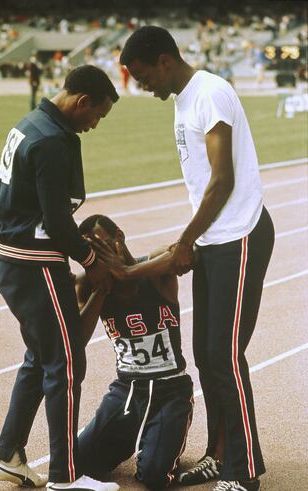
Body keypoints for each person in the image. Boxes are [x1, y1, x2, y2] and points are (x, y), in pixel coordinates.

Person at [120, 26, 275, 491]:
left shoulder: (210, 93)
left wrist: (185, 240)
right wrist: (193, 240)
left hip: (240, 235)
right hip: (212, 239)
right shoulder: (184, 100)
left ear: (165, 61)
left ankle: (244, 473)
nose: (144, 87)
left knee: (224, 356)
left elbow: (222, 180)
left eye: (144, 77)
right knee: (208, 357)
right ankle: (219, 455)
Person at [0, 65, 120, 491]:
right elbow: (58, 221)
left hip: (13, 260)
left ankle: (8, 455)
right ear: (82, 102)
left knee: (39, 358)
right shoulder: (50, 142)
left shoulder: (33, 122)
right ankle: (66, 478)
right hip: (34, 263)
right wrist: (91, 261)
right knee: (66, 363)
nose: (95, 125)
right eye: (97, 115)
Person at [75, 214, 194, 491]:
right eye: (92, 255)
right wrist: (102, 290)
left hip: (170, 389)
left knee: (153, 476)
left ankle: (162, 437)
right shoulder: (88, 285)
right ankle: (127, 436)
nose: (100, 258)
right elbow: (76, 340)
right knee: (76, 462)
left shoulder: (154, 270)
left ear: (120, 235)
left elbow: (182, 254)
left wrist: (126, 271)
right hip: (126, 390)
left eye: (104, 246)